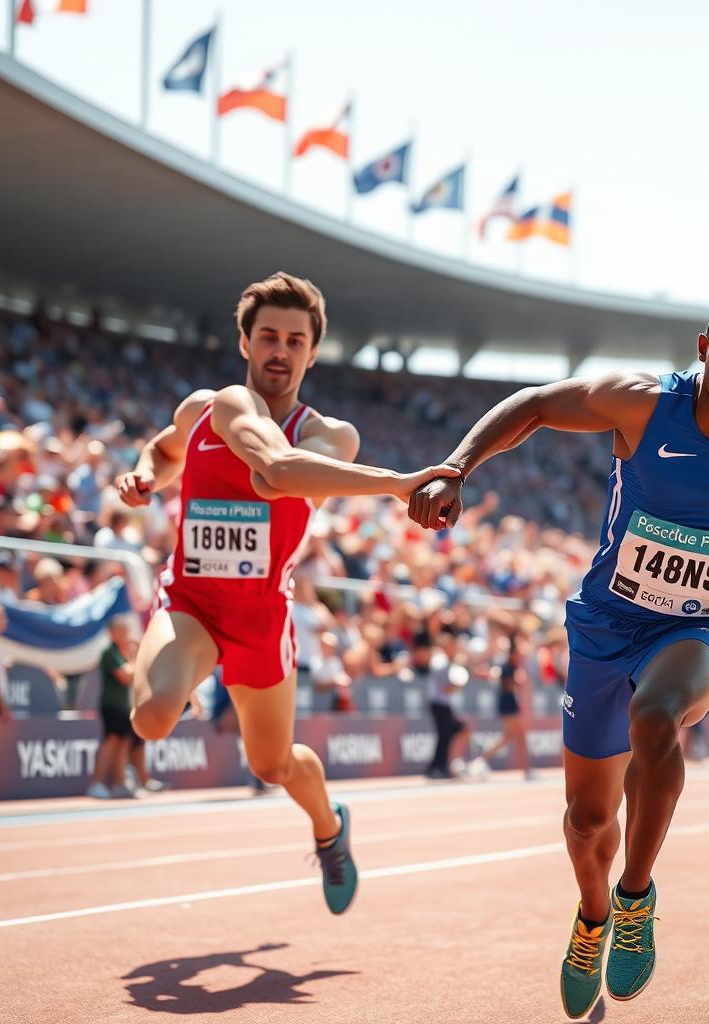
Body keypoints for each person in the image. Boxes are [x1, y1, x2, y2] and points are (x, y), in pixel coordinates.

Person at [408, 290, 709, 1017]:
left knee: (656, 716)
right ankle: (592, 919)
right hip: (606, 627)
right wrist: (457, 467)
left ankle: (635, 898)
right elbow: (538, 404)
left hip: (699, 630)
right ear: (703, 347)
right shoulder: (644, 405)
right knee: (587, 821)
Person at [115, 270, 457, 915]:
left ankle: (329, 826)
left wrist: (373, 479)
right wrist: (145, 475)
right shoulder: (213, 406)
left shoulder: (334, 437)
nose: (280, 350)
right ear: (244, 343)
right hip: (192, 601)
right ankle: (185, 677)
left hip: (262, 617)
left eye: (295, 341)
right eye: (268, 336)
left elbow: (278, 477)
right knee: (151, 718)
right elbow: (167, 451)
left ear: (312, 352)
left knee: (271, 765)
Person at [88, 617, 139, 799]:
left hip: (124, 706)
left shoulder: (120, 652)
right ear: (112, 633)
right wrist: (135, 659)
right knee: (111, 742)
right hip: (111, 706)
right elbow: (126, 676)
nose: (126, 634)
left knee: (123, 744)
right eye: (121, 630)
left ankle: (119, 784)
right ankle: (96, 783)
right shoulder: (109, 652)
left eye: (126, 630)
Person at [415, 629, 471, 780]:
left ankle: (441, 766)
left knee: (451, 733)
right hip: (439, 704)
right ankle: (438, 768)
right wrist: (459, 683)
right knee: (444, 736)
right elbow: (446, 688)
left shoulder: (445, 661)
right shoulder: (440, 662)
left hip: (443, 705)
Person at [477, 632, 534, 779]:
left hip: (510, 704)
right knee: (516, 737)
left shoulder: (513, 667)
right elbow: (508, 686)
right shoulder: (507, 667)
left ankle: (483, 760)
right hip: (507, 705)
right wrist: (517, 682)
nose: (521, 656)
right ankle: (526, 769)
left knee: (511, 737)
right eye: (519, 654)